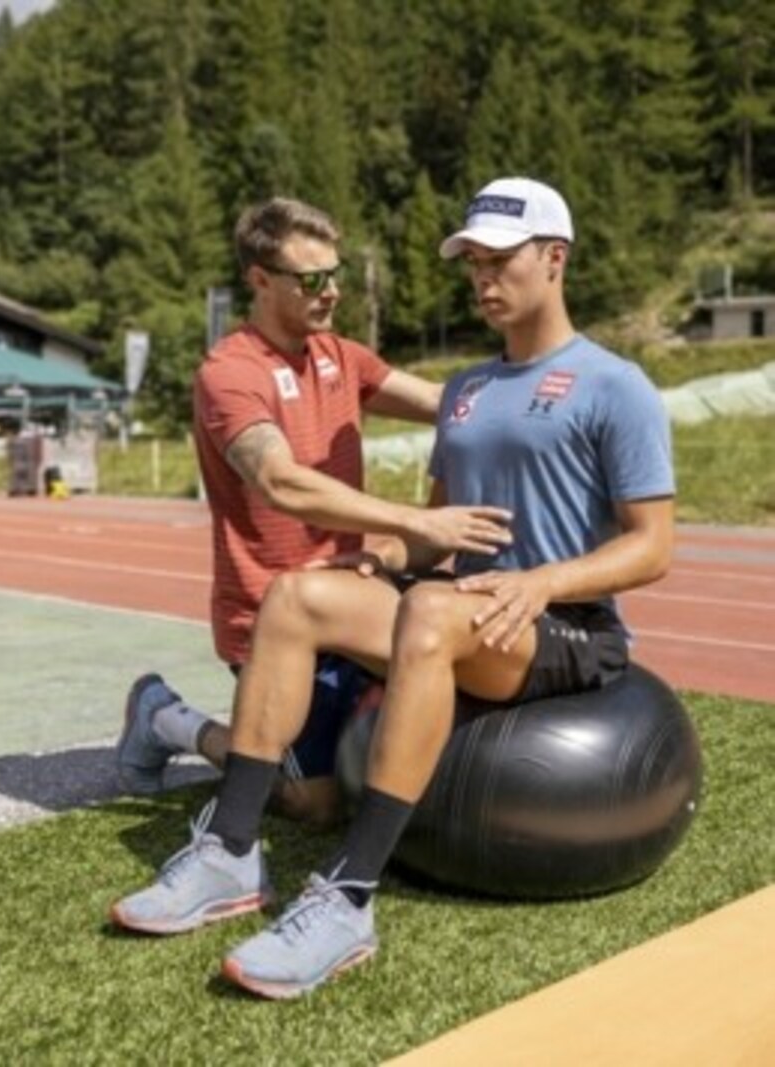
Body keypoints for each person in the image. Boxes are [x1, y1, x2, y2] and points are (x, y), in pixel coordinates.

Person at [110, 177, 675, 999]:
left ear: (555, 259)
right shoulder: (469, 393)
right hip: (460, 615)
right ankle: (231, 848)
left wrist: (545, 579)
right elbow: (439, 525)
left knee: (435, 614)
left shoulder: (614, 384)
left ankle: (347, 897)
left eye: (501, 260)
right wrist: (383, 558)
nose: (483, 279)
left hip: (565, 626)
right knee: (300, 593)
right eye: (472, 263)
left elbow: (654, 546)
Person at [116, 196, 511, 824]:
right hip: (272, 620)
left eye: (336, 275)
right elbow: (280, 481)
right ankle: (167, 718)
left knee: (453, 662)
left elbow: (447, 403)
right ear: (259, 280)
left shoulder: (340, 355)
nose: (330, 293)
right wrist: (413, 519)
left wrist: (546, 393)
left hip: (356, 596)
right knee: (316, 806)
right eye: (312, 280)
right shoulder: (230, 374)